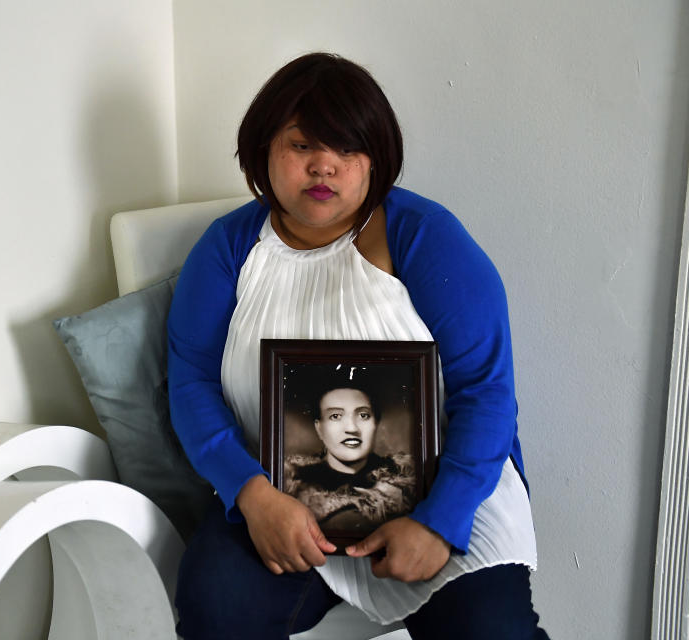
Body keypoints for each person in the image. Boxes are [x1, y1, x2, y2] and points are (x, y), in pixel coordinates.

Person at [168, 52, 548, 639]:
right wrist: (251, 495)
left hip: (443, 492)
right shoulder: (227, 248)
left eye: (346, 150)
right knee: (212, 604)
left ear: (376, 160)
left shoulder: (425, 236)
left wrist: (440, 523)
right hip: (279, 498)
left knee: (490, 630)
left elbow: (487, 391)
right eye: (301, 146)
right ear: (263, 151)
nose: (324, 166)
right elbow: (190, 380)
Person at [285, 380, 415, 535]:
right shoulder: (291, 487)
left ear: (376, 423)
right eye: (335, 416)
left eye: (363, 415)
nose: (352, 428)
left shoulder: (406, 484)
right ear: (319, 428)